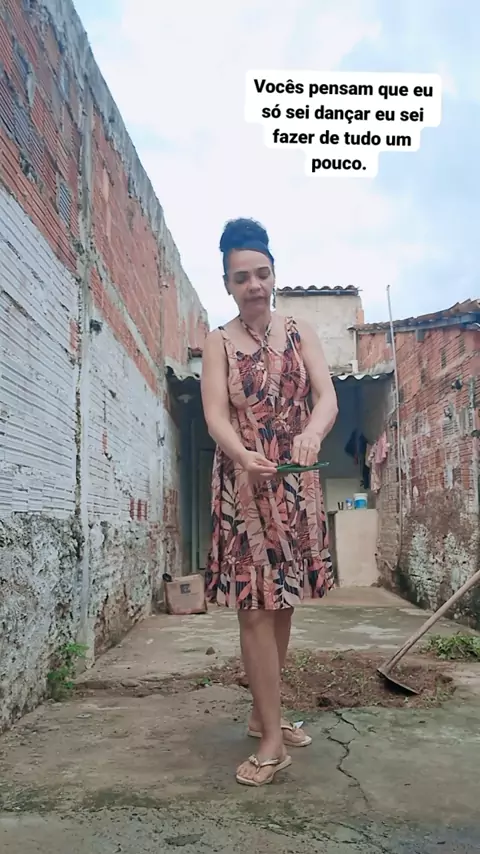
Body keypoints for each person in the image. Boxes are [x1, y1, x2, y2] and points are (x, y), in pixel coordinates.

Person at [200, 218, 338, 787]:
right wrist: (242, 454)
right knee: (254, 607)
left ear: (274, 274)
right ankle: (272, 744)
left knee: (283, 603)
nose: (254, 285)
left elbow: (327, 398)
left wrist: (313, 434)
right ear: (228, 284)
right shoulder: (217, 342)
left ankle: (265, 715)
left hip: (296, 485)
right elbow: (214, 415)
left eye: (262, 273)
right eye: (242, 277)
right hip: (244, 488)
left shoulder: (301, 332)